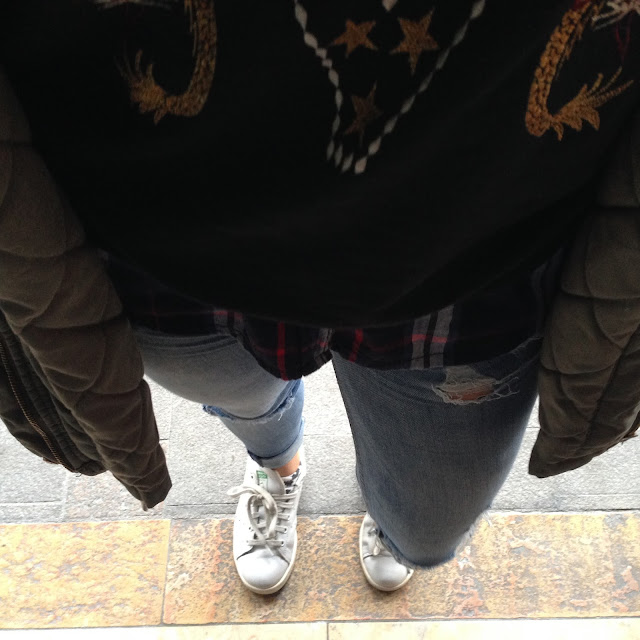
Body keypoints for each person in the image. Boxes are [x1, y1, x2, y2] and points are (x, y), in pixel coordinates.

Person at [0, 0, 638, 596]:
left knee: (425, 528)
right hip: (172, 262)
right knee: (249, 407)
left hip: (474, 268)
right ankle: (278, 466)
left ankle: (391, 514)